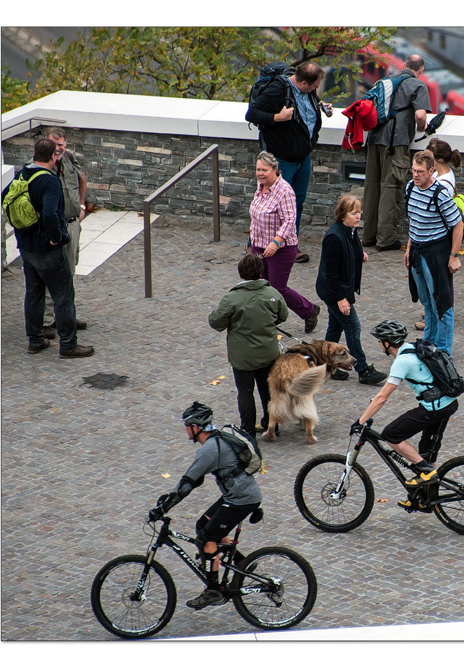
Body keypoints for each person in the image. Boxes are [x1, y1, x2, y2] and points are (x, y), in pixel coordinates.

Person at [148, 402, 263, 610]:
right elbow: (194, 480)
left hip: (241, 499)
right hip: (238, 494)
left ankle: (213, 591)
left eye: (186, 425)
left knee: (208, 537)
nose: (185, 429)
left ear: (196, 427)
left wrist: (163, 509)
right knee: (203, 525)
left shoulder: (209, 450)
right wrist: (171, 496)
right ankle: (242, 563)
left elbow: (188, 483)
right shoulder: (215, 440)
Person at [3, 138, 94, 358]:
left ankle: (35, 341)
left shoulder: (22, 175)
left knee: (33, 294)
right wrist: (57, 238)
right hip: (47, 249)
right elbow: (51, 213)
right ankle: (68, 345)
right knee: (63, 295)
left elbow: (5, 198)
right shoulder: (49, 181)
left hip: (27, 248)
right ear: (53, 156)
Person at [356, 320, 459, 512]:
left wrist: (361, 421)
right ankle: (425, 498)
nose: (379, 344)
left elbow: (382, 397)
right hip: (448, 403)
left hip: (434, 408)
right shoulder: (412, 348)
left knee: (391, 434)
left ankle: (426, 473)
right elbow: (379, 397)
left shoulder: (401, 362)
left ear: (387, 343)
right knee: (427, 452)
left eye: (380, 341)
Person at [244, 62, 331, 263]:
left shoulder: (306, 91)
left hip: (302, 156)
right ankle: (255, 244)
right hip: (283, 158)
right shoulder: (278, 90)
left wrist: (320, 106)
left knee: (295, 202)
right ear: (302, 83)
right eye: (314, 86)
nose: (315, 89)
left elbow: (305, 110)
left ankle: (289, 244)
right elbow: (252, 114)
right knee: (271, 204)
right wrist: (278, 117)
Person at [208, 254, 288, 435]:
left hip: (243, 356)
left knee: (245, 392)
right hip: (268, 353)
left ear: (240, 273)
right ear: (261, 271)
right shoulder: (272, 293)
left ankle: (248, 430)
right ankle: (271, 425)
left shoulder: (232, 299)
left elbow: (216, 322)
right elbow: (283, 316)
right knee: (267, 391)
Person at [360, 54, 431, 251]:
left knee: (372, 186)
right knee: (390, 187)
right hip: (395, 141)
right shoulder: (417, 85)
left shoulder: (385, 81)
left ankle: (368, 236)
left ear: (405, 65)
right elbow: (419, 115)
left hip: (374, 138)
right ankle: (385, 240)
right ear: (421, 70)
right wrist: (422, 127)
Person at [315, 194, 387, 385]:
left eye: (359, 212)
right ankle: (362, 369)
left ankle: (327, 366)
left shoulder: (351, 231)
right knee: (352, 326)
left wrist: (359, 254)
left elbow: (350, 249)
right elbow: (330, 272)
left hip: (341, 288)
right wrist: (340, 299)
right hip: (333, 290)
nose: (358, 216)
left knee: (335, 326)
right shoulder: (334, 238)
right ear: (342, 215)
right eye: (353, 213)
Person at [248, 151, 321, 334]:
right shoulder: (261, 185)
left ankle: (309, 310)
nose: (260, 173)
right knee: (262, 286)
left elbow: (290, 220)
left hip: (281, 249)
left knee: (277, 288)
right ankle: (267, 322)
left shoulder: (285, 191)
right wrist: (252, 242)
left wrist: (275, 243)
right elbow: (256, 215)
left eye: (264, 170)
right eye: (258, 169)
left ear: (275, 169)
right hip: (259, 245)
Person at [404, 150, 463, 355]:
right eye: (413, 170)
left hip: (437, 252)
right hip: (417, 251)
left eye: (420, 171)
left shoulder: (441, 193)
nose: (416, 175)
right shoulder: (410, 188)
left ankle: (444, 351)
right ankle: (429, 343)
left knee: (442, 303)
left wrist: (454, 256)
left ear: (431, 171)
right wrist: (409, 248)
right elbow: (415, 220)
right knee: (427, 301)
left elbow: (458, 225)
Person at [42, 126, 88, 336]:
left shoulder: (68, 158)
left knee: (69, 270)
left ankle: (66, 316)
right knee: (50, 273)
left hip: (71, 223)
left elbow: (82, 178)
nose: (58, 148)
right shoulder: (42, 163)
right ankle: (46, 321)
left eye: (61, 144)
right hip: (53, 227)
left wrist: (82, 206)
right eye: (55, 144)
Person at [416, 138, 463, 330]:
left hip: (438, 237)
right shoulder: (446, 175)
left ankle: (438, 314)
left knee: (437, 280)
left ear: (440, 160)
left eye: (430, 157)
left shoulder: (440, 183)